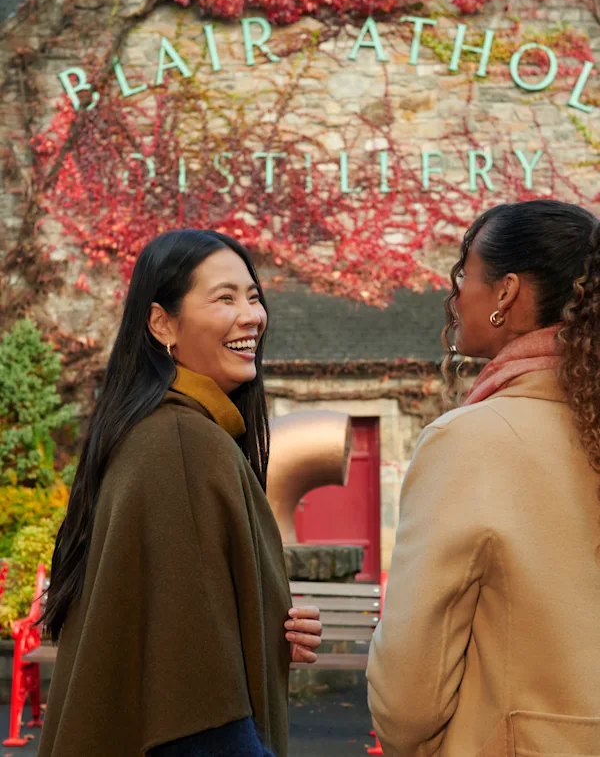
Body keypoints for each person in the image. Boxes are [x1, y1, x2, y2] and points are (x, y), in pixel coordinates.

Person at [39, 229, 322, 757]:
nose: (251, 316)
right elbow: (200, 717)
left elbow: (164, 630)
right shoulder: (181, 445)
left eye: (253, 296)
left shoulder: (164, 434)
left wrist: (268, 623)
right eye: (224, 297)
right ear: (163, 323)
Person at [367, 199, 600, 756]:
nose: (454, 296)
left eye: (464, 273)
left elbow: (407, 702)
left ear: (506, 293)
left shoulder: (469, 441)